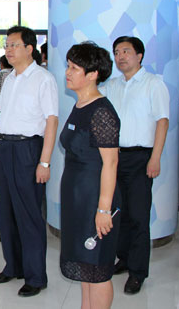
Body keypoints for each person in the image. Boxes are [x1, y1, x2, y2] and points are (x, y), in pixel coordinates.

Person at [0, 26, 58, 298]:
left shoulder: (43, 79)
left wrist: (45, 162)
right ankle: (13, 266)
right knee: (6, 211)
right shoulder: (8, 78)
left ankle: (35, 276)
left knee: (29, 214)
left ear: (29, 49)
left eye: (14, 45)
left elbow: (51, 120)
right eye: (6, 45)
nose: (8, 49)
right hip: (3, 146)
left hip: (28, 149)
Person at [100, 36, 169, 295]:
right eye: (117, 52)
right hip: (115, 158)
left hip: (141, 158)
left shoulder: (153, 84)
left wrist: (155, 157)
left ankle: (138, 272)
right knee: (119, 213)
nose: (120, 57)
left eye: (126, 51)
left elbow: (162, 122)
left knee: (139, 216)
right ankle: (125, 258)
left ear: (139, 55)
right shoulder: (112, 85)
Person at [60, 43, 121, 309]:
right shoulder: (81, 105)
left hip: (95, 199)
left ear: (93, 74)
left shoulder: (102, 112)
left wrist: (104, 210)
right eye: (68, 66)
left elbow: (111, 163)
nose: (67, 72)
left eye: (74, 68)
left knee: (97, 268)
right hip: (77, 198)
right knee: (85, 266)